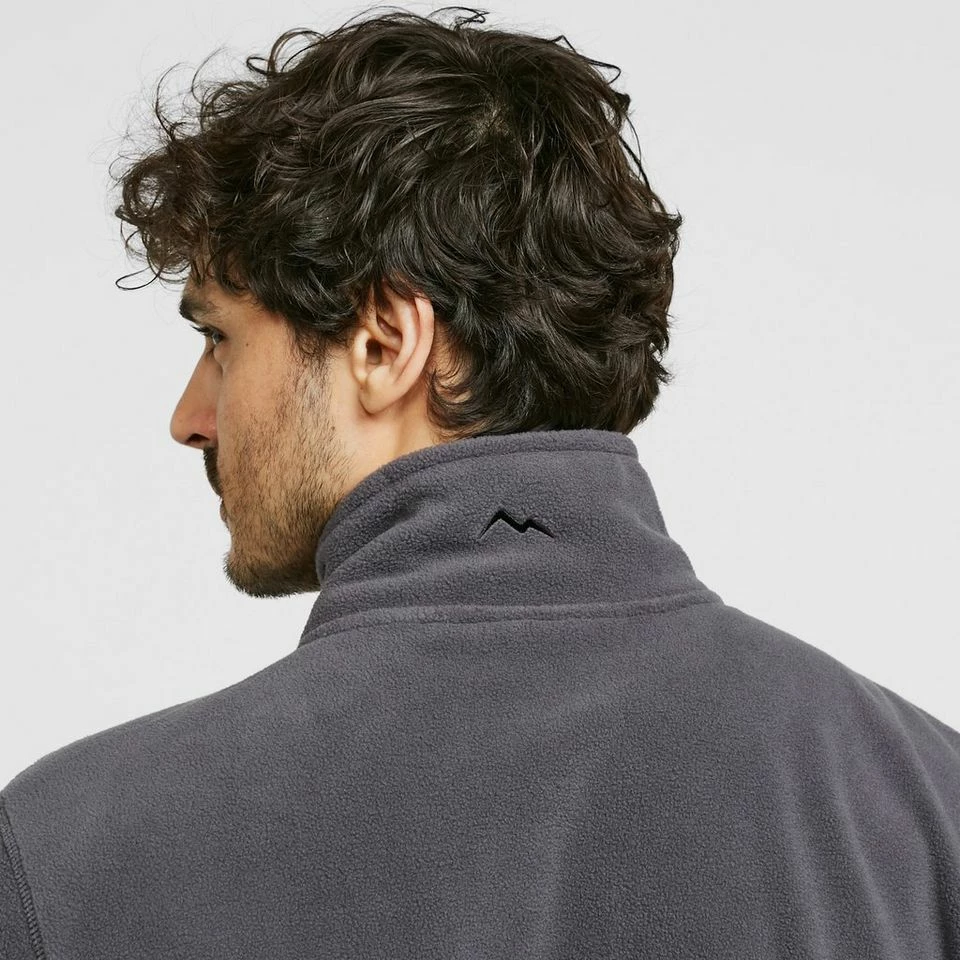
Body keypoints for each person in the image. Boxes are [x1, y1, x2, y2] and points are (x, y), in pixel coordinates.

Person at [2, 7, 958, 957]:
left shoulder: (68, 855)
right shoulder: (927, 807)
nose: (189, 417)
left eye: (219, 339)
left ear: (384, 343)